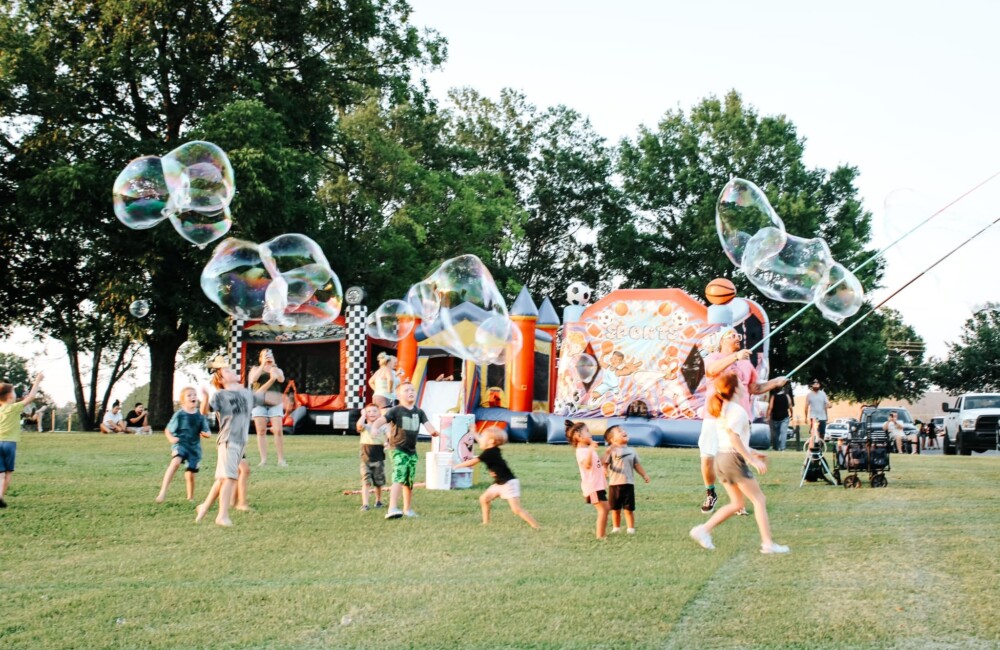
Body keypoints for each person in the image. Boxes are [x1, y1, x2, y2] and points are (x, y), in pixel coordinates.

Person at [689, 373, 790, 554]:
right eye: (742, 384)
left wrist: (752, 452)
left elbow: (734, 439)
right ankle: (768, 544)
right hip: (732, 459)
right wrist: (750, 460)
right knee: (759, 499)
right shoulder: (737, 411)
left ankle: (703, 530)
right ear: (735, 389)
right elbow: (734, 437)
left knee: (737, 503)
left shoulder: (725, 409)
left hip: (721, 458)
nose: (746, 386)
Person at [697, 326, 788, 514]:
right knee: (707, 457)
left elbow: (754, 388)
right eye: (732, 335)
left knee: (737, 457)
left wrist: (775, 382)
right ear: (722, 341)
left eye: (738, 335)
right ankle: (711, 492)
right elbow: (712, 371)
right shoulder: (713, 358)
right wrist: (736, 357)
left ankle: (738, 503)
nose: (737, 338)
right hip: (714, 415)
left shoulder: (747, 364)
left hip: (739, 416)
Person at [196, 365, 277, 526]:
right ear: (221, 379)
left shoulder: (244, 394)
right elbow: (205, 412)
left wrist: (274, 383)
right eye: (227, 371)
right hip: (228, 440)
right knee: (229, 478)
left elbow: (259, 395)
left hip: (241, 443)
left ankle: (204, 507)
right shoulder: (220, 395)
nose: (231, 371)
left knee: (222, 479)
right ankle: (222, 515)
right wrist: (205, 398)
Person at [371, 381, 439, 519]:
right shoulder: (395, 410)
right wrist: (374, 427)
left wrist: (434, 432)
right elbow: (381, 420)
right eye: (406, 390)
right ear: (398, 395)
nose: (410, 392)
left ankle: (407, 509)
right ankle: (392, 508)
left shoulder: (419, 412)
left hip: (412, 451)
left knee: (408, 481)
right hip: (397, 449)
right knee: (399, 475)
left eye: (412, 390)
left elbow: (428, 425)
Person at [454, 426, 540, 529]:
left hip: (508, 484)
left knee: (516, 509)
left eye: (483, 437)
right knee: (484, 499)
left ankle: (535, 526)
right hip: (499, 483)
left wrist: (456, 466)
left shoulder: (489, 453)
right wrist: (474, 432)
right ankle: (486, 523)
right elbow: (482, 444)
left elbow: (473, 462)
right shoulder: (493, 450)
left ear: (491, 441)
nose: (481, 439)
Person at [155, 387, 211, 503]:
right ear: (183, 401)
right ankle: (162, 492)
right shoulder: (179, 414)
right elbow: (167, 430)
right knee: (175, 463)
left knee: (190, 474)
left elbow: (207, 431)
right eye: (189, 395)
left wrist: (206, 434)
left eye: (194, 395)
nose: (193, 397)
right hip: (180, 444)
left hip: (194, 448)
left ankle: (190, 497)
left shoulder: (200, 416)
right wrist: (171, 438)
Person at [0, 372, 44, 508]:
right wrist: (37, 381)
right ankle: (0, 497)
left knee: (0, 474)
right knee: (8, 472)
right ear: (9, 396)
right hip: (9, 444)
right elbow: (31, 397)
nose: (15, 394)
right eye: (13, 392)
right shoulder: (14, 408)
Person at [602, 425, 650, 535]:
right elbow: (604, 463)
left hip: (628, 484)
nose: (624, 432)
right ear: (612, 439)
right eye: (619, 431)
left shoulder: (631, 451)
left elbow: (637, 465)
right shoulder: (611, 451)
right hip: (614, 484)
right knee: (615, 509)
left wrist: (644, 475)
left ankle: (630, 528)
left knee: (629, 509)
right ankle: (616, 528)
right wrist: (604, 471)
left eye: (624, 430)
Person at [566, 420, 609, 540]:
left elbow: (597, 463)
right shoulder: (581, 452)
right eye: (587, 431)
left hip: (598, 485)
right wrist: (591, 449)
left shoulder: (587, 450)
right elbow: (587, 465)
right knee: (603, 510)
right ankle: (600, 536)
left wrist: (607, 453)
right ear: (579, 436)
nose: (590, 433)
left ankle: (602, 533)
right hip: (593, 487)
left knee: (606, 508)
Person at [247, 348, 287, 467]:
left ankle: (280, 460)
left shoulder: (277, 369)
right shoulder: (255, 369)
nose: (268, 356)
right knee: (261, 431)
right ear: (260, 358)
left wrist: (273, 366)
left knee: (278, 430)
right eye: (265, 355)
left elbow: (281, 379)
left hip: (275, 403)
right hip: (259, 403)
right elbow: (253, 379)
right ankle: (263, 460)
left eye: (270, 355)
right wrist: (263, 365)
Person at [355, 403, 387, 511]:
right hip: (365, 459)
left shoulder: (383, 427)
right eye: (369, 411)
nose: (372, 413)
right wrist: (363, 415)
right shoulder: (365, 427)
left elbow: (388, 436)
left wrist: (387, 443)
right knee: (366, 481)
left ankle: (378, 501)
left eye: (374, 411)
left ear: (379, 414)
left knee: (378, 482)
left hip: (379, 459)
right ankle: (365, 504)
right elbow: (359, 425)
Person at [767, 384, 793, 451]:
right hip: (785, 417)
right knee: (783, 433)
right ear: (782, 389)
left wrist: (768, 416)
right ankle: (783, 448)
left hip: (775, 417)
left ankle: (776, 447)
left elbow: (770, 407)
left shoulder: (773, 397)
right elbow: (790, 406)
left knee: (775, 434)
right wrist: (792, 413)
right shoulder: (787, 396)